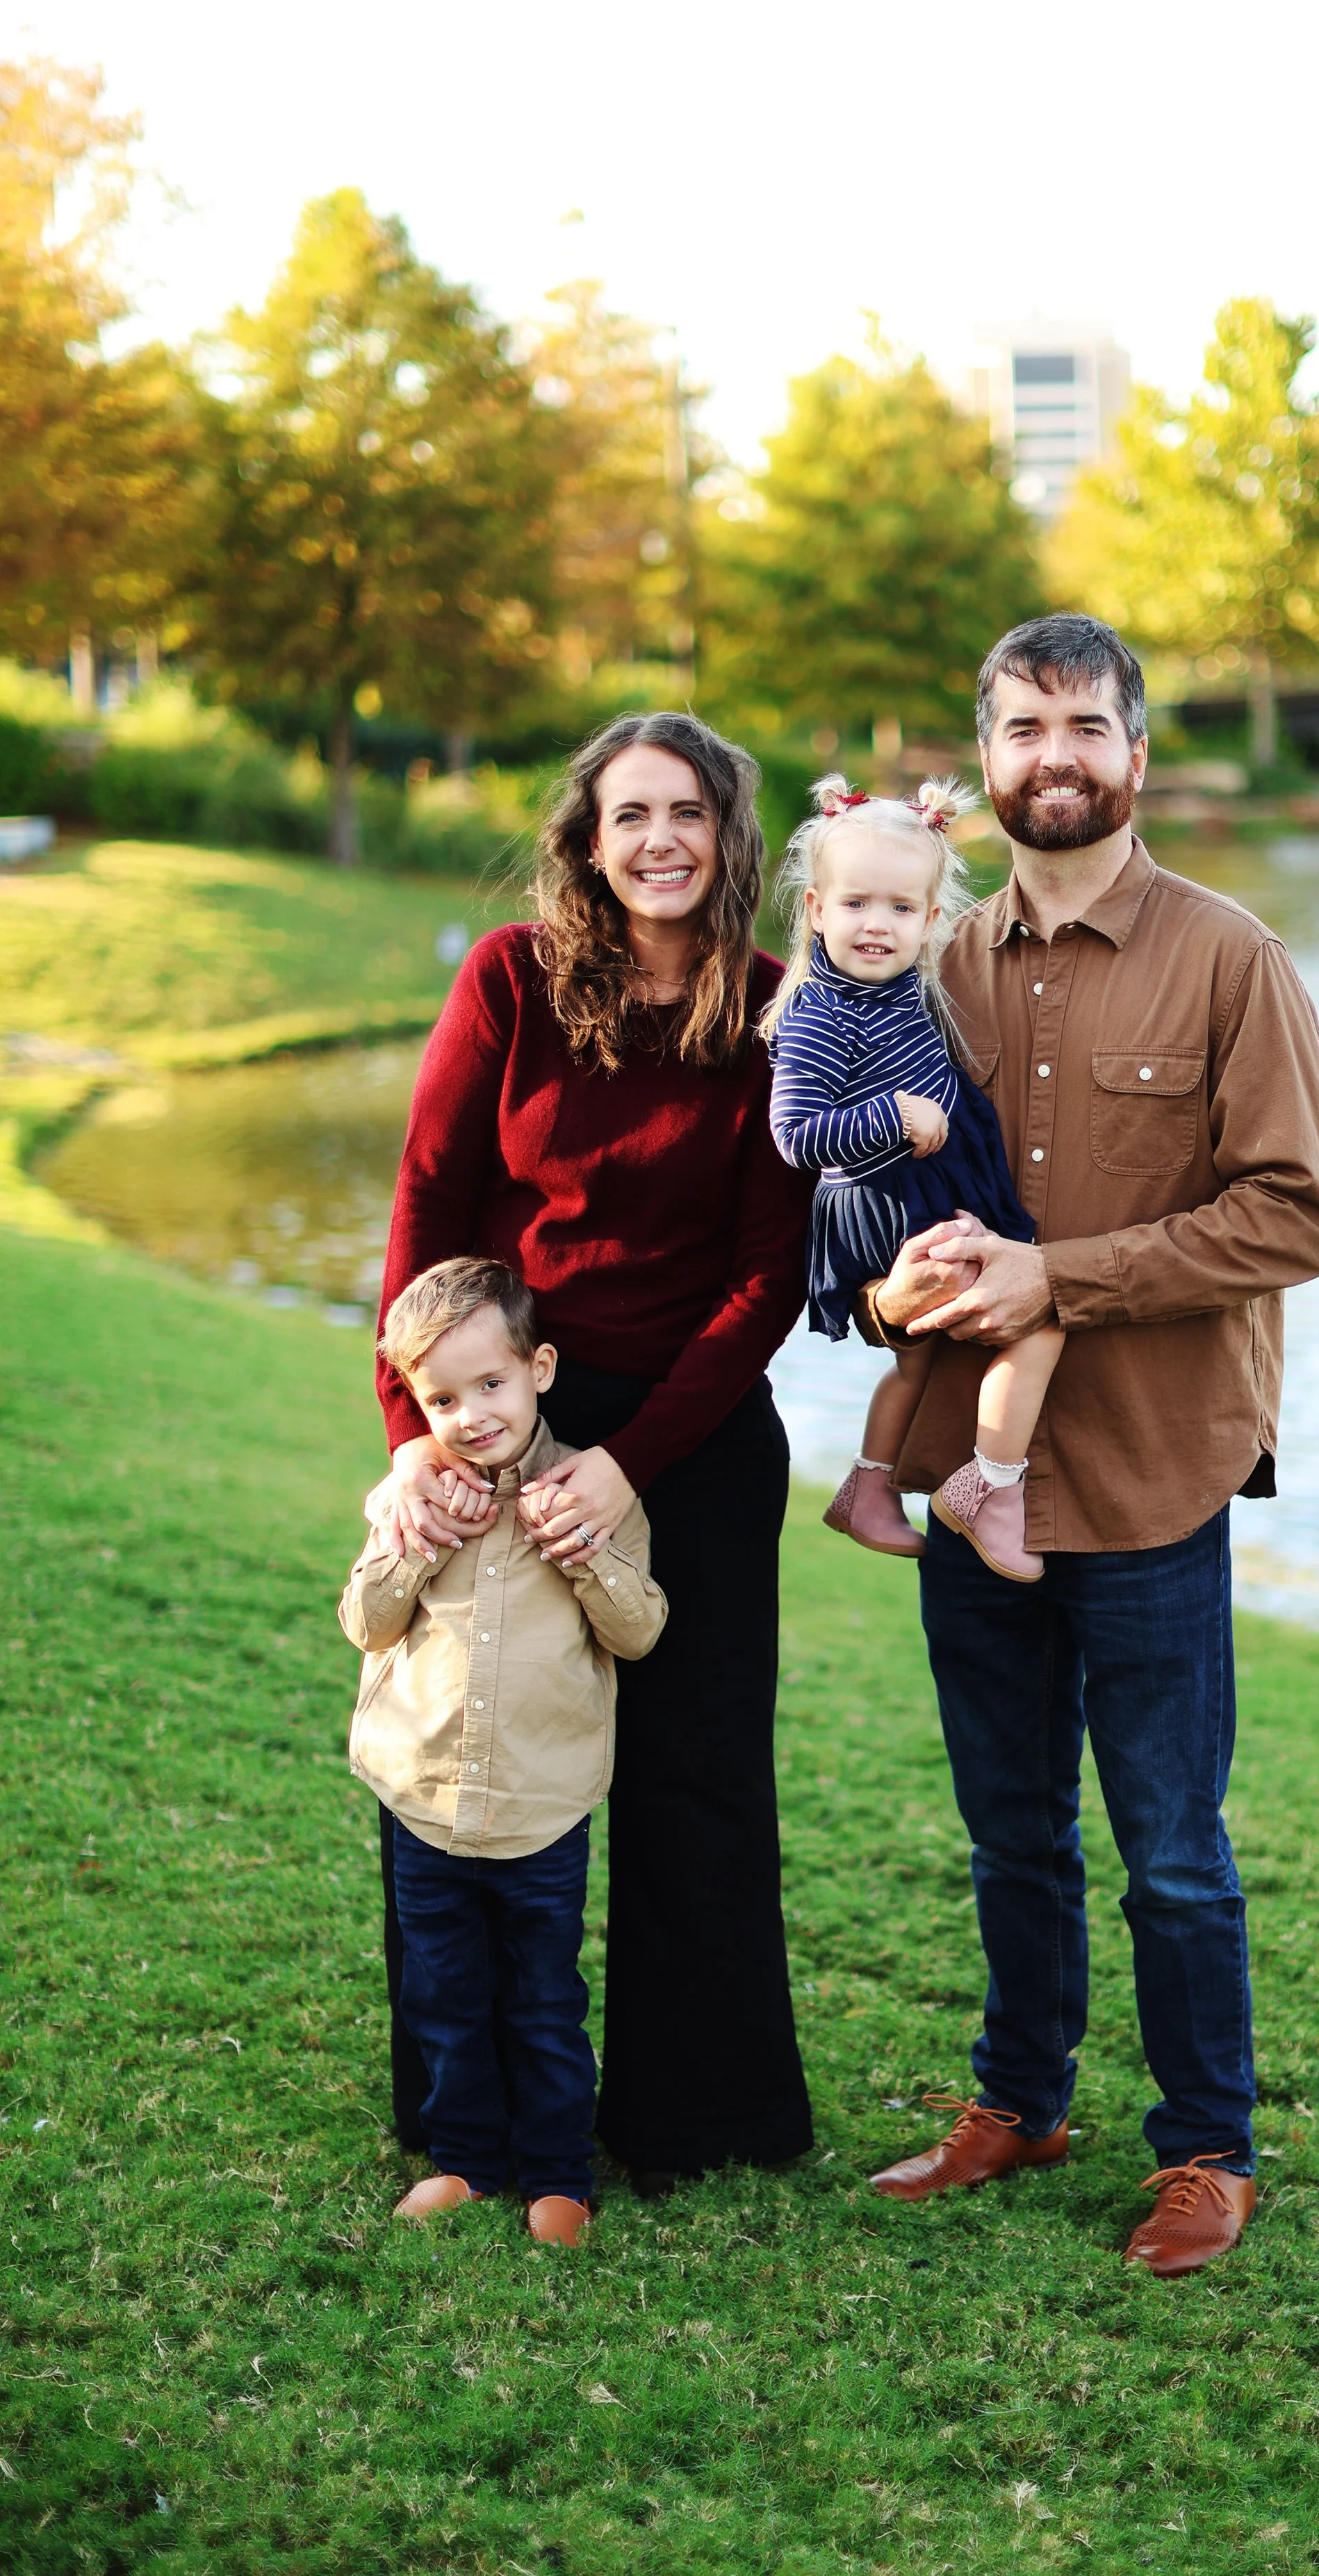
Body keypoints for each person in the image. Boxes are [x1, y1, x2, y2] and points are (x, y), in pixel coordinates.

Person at [858, 615, 1319, 2278]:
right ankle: (1020, 2099)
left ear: (1135, 754)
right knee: (1009, 1827)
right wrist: (887, 1274)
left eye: (1084, 724)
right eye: (1020, 728)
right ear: (982, 760)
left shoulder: (1231, 960)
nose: (1051, 756)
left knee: (1174, 1850)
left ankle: (1207, 2148)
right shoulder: (923, 962)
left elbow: (1299, 1214)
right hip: (965, 1471)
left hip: (1149, 1473)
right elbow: (870, 1194)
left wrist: (1054, 1274)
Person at [369, 712, 815, 2187]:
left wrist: (625, 1465)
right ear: (588, 835)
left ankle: (696, 2126)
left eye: (687, 813)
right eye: (631, 815)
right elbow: (429, 1207)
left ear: (726, 834)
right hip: (503, 1426)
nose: (660, 841)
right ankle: (467, 2121)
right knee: (476, 1761)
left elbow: (771, 1276)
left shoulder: (771, 1011)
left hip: (687, 1435)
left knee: (693, 1786)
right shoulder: (511, 979)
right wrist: (416, 1448)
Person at [343, 1257, 666, 2244]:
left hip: (541, 1808)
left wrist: (587, 1558)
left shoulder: (591, 1499)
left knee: (541, 1999)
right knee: (443, 1996)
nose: (472, 1413)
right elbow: (365, 1619)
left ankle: (558, 2174)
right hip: (425, 1800)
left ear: (541, 1368)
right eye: (443, 1396)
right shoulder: (414, 1499)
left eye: (491, 1384)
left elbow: (641, 1630)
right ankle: (466, 2161)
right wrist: (414, 1539)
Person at [764, 774, 1060, 1579]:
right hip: (885, 1199)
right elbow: (794, 1136)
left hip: (916, 1187)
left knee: (919, 1361)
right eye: (855, 903)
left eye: (900, 909)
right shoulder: (821, 1012)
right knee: (1045, 1312)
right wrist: (897, 1114)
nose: (875, 925)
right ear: (815, 911)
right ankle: (991, 1488)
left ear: (931, 922)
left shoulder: (897, 991)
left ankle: (867, 1486)